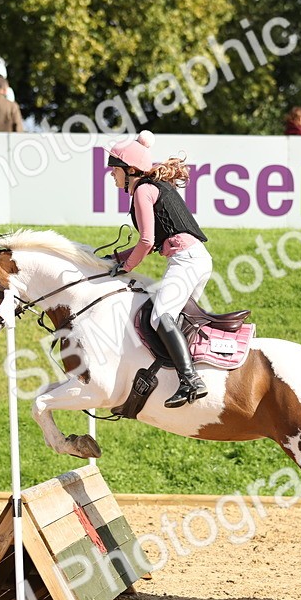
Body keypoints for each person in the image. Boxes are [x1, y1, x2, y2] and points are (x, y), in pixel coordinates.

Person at [105, 131, 213, 408]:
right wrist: (118, 257)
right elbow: (150, 244)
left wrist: (125, 267)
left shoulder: (142, 189)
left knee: (160, 316)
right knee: (176, 320)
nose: (112, 176)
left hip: (186, 261)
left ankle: (190, 380)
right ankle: (191, 374)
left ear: (130, 170)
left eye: (114, 170)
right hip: (197, 258)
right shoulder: (155, 186)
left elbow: (146, 241)